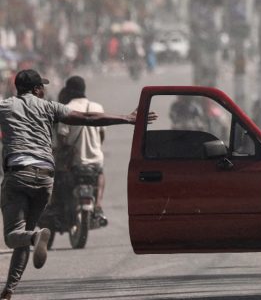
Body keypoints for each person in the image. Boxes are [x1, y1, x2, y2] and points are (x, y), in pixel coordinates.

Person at [0, 69, 156, 300]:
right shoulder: (49, 107)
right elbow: (88, 118)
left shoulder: (6, 106)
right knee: (25, 232)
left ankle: (35, 238)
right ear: (36, 89)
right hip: (44, 178)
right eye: (42, 87)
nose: (44, 90)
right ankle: (8, 291)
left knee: (14, 235)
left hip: (18, 175)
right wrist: (127, 118)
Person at [55, 76, 109, 224]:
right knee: (100, 174)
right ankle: (98, 205)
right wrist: (96, 147)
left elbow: (62, 137)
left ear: (68, 90)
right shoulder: (97, 107)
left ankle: (61, 209)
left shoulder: (66, 108)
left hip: (75, 161)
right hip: (95, 159)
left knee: (60, 181)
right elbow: (102, 135)